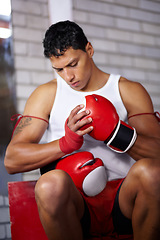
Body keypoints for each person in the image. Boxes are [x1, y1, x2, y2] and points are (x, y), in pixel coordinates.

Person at [4, 20, 160, 240]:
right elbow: (12, 160)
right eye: (59, 69)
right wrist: (65, 144)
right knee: (49, 185)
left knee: (154, 173)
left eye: (73, 64)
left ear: (89, 49)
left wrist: (117, 134)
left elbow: (157, 154)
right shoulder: (46, 94)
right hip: (76, 203)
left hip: (124, 198)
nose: (68, 77)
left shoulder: (127, 90)